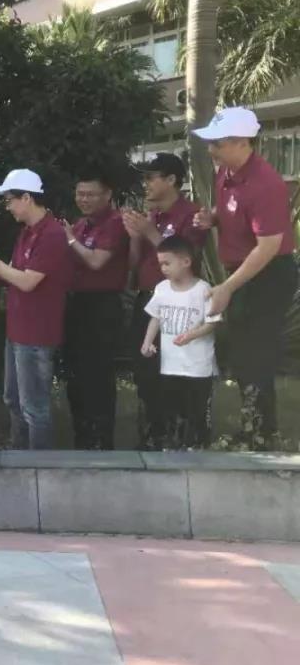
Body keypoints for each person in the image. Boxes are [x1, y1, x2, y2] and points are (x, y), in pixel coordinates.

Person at [192, 107, 298, 444]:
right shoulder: (226, 172)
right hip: (242, 273)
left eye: (218, 143)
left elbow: (268, 247)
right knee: (242, 353)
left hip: (268, 275)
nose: (211, 149)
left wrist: (227, 286)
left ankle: (262, 433)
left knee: (257, 354)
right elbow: (234, 212)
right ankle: (253, 428)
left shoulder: (266, 184)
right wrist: (212, 218)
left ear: (242, 142)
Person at [0, 169, 73, 450]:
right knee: (13, 399)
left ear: (27, 198)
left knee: (34, 408)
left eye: (9, 199)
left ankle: (37, 468)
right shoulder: (27, 232)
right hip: (18, 331)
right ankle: (20, 457)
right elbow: (11, 273)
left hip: (36, 334)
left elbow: (27, 281)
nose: (7, 206)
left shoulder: (52, 234)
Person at [122, 153, 206, 449]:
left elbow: (184, 262)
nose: (145, 184)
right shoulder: (153, 217)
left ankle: (180, 440)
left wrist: (150, 232)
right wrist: (136, 236)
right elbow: (134, 264)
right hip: (148, 301)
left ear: (171, 180)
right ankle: (151, 438)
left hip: (179, 306)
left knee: (176, 376)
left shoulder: (191, 214)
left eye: (150, 177)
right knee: (146, 373)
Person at [62, 171, 129, 450]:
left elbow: (96, 261)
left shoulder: (115, 223)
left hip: (103, 305)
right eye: (80, 194)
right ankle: (82, 437)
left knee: (98, 375)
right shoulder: (80, 225)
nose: (84, 200)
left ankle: (101, 442)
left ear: (107, 195)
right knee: (76, 375)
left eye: (90, 194)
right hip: (77, 304)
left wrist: (70, 240)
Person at [140, 236, 221, 448]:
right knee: (172, 409)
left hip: (197, 366)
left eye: (167, 263)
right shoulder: (162, 288)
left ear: (186, 261)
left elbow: (213, 322)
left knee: (196, 410)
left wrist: (192, 335)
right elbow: (155, 317)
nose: (163, 269)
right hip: (170, 364)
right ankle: (173, 446)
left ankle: (198, 447)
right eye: (161, 264)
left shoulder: (203, 289)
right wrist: (147, 342)